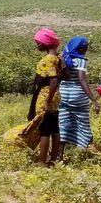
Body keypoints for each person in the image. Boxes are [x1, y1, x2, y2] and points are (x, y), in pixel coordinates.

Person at [17, 28, 63, 166]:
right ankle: (54, 160)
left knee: (45, 129)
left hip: (46, 95)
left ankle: (42, 161)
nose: (37, 46)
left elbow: (53, 80)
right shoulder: (59, 58)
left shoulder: (47, 60)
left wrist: (47, 101)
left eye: (38, 42)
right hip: (55, 96)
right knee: (54, 128)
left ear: (46, 43)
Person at [58, 36, 101, 150]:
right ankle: (87, 150)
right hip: (78, 97)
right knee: (83, 124)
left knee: (63, 125)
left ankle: (59, 156)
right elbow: (81, 80)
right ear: (80, 48)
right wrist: (94, 100)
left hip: (63, 96)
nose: (86, 50)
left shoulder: (63, 58)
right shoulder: (81, 61)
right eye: (85, 47)